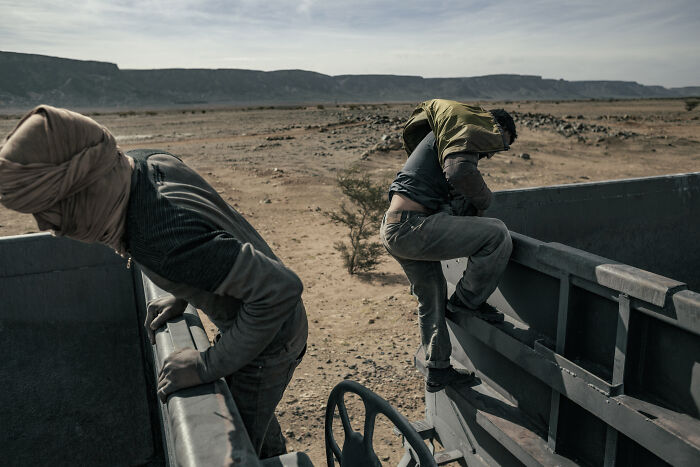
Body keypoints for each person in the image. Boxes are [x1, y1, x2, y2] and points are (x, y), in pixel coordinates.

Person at [0, 105, 307, 459]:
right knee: (253, 414)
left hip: (273, 339)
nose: (45, 226)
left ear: (84, 186)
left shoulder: (157, 237)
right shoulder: (141, 163)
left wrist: (207, 364)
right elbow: (204, 230)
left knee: (241, 443)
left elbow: (281, 290)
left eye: (49, 205)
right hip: (261, 320)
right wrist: (183, 289)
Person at [380, 99, 516, 393]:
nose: (491, 153)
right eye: (498, 145)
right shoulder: (466, 136)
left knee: (432, 298)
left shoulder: (445, 137)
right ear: (496, 128)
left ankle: (438, 369)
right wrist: (485, 202)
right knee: (496, 234)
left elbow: (448, 190)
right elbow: (460, 174)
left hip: (395, 226)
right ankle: (468, 302)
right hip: (411, 227)